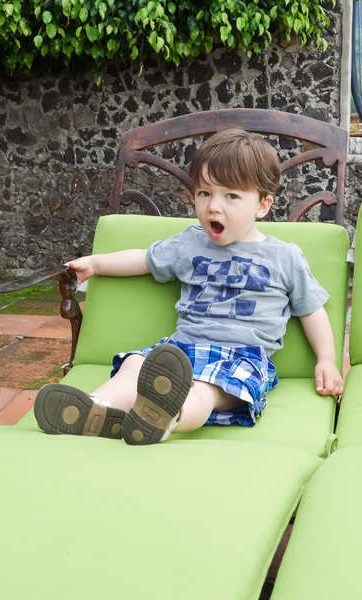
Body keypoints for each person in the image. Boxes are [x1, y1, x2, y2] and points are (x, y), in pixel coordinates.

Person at [34, 129, 344, 446]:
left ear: (262, 205)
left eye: (231, 196)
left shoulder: (285, 256)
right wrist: (97, 264)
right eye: (204, 193)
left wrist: (326, 360)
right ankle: (96, 408)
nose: (213, 207)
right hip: (180, 353)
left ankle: (168, 417)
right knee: (135, 366)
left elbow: (312, 310)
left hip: (241, 358)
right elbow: (143, 259)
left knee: (207, 391)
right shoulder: (190, 242)